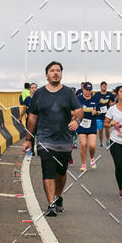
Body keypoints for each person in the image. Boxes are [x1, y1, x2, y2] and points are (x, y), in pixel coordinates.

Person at [26, 62, 82, 216]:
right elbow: (32, 117)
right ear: (47, 75)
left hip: (64, 140)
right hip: (45, 140)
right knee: (48, 171)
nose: (55, 73)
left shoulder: (68, 93)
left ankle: (58, 196)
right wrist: (29, 139)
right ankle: (51, 204)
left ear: (61, 74)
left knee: (61, 173)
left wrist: (77, 121)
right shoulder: (39, 94)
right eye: (52, 71)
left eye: (58, 70)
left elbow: (79, 110)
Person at [76, 81, 100, 171]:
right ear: (83, 89)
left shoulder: (95, 99)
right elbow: (73, 110)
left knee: (92, 146)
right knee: (83, 144)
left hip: (92, 124)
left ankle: (92, 158)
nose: (88, 92)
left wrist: (96, 112)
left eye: (89, 90)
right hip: (81, 124)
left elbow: (99, 111)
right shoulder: (78, 99)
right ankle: (83, 164)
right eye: (86, 90)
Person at [94, 81, 114, 148]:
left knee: (107, 129)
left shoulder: (109, 94)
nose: (104, 86)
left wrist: (112, 104)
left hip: (107, 115)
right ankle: (101, 143)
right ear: (100, 86)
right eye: (102, 85)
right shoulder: (97, 94)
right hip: (99, 115)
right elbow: (94, 103)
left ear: (106, 86)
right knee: (100, 130)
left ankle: (107, 141)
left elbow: (114, 101)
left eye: (105, 85)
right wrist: (96, 110)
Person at [20, 82, 37, 155]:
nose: (34, 89)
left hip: (39, 120)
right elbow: (24, 109)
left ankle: (41, 151)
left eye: (35, 87)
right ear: (29, 89)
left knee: (40, 136)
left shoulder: (40, 98)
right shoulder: (27, 99)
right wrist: (20, 118)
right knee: (30, 136)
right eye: (32, 88)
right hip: (29, 120)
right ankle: (30, 152)